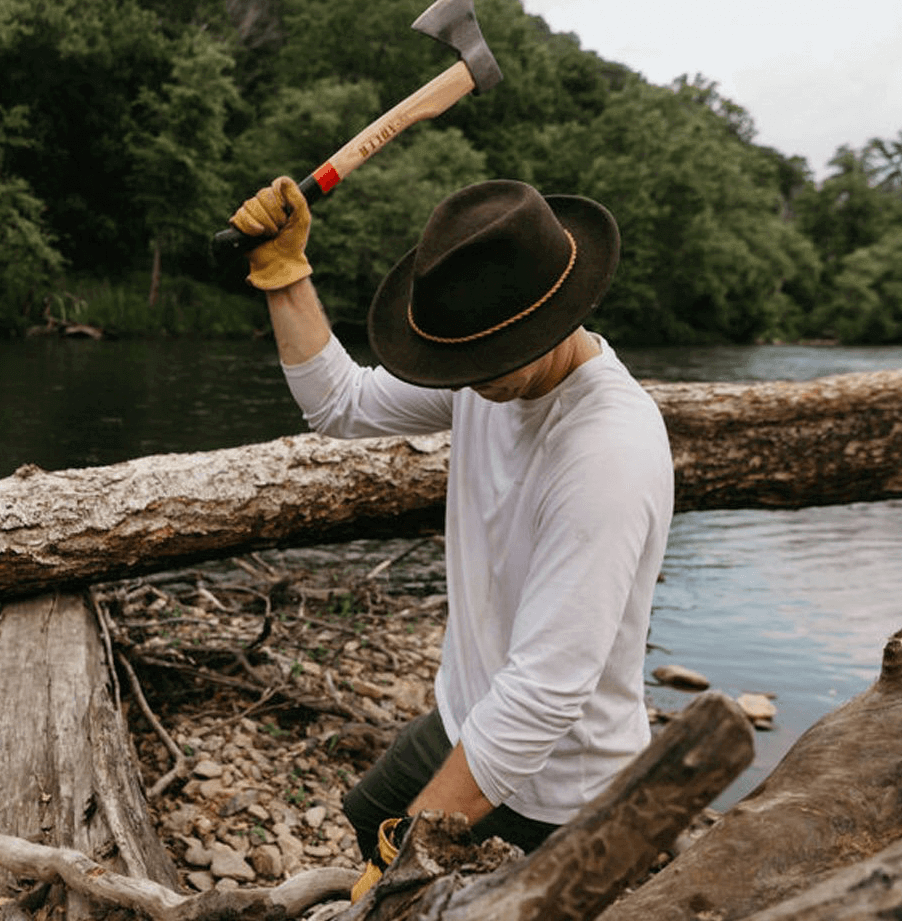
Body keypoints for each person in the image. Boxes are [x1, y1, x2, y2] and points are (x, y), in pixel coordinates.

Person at [228, 176, 674, 897]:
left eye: (482, 365)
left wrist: (405, 863)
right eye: (458, 363)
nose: (465, 382)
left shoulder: (607, 451)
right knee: (367, 811)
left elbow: (545, 694)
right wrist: (283, 272)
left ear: (553, 318)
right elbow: (339, 404)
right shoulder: (490, 365)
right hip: (468, 712)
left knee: (407, 894)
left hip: (555, 788)